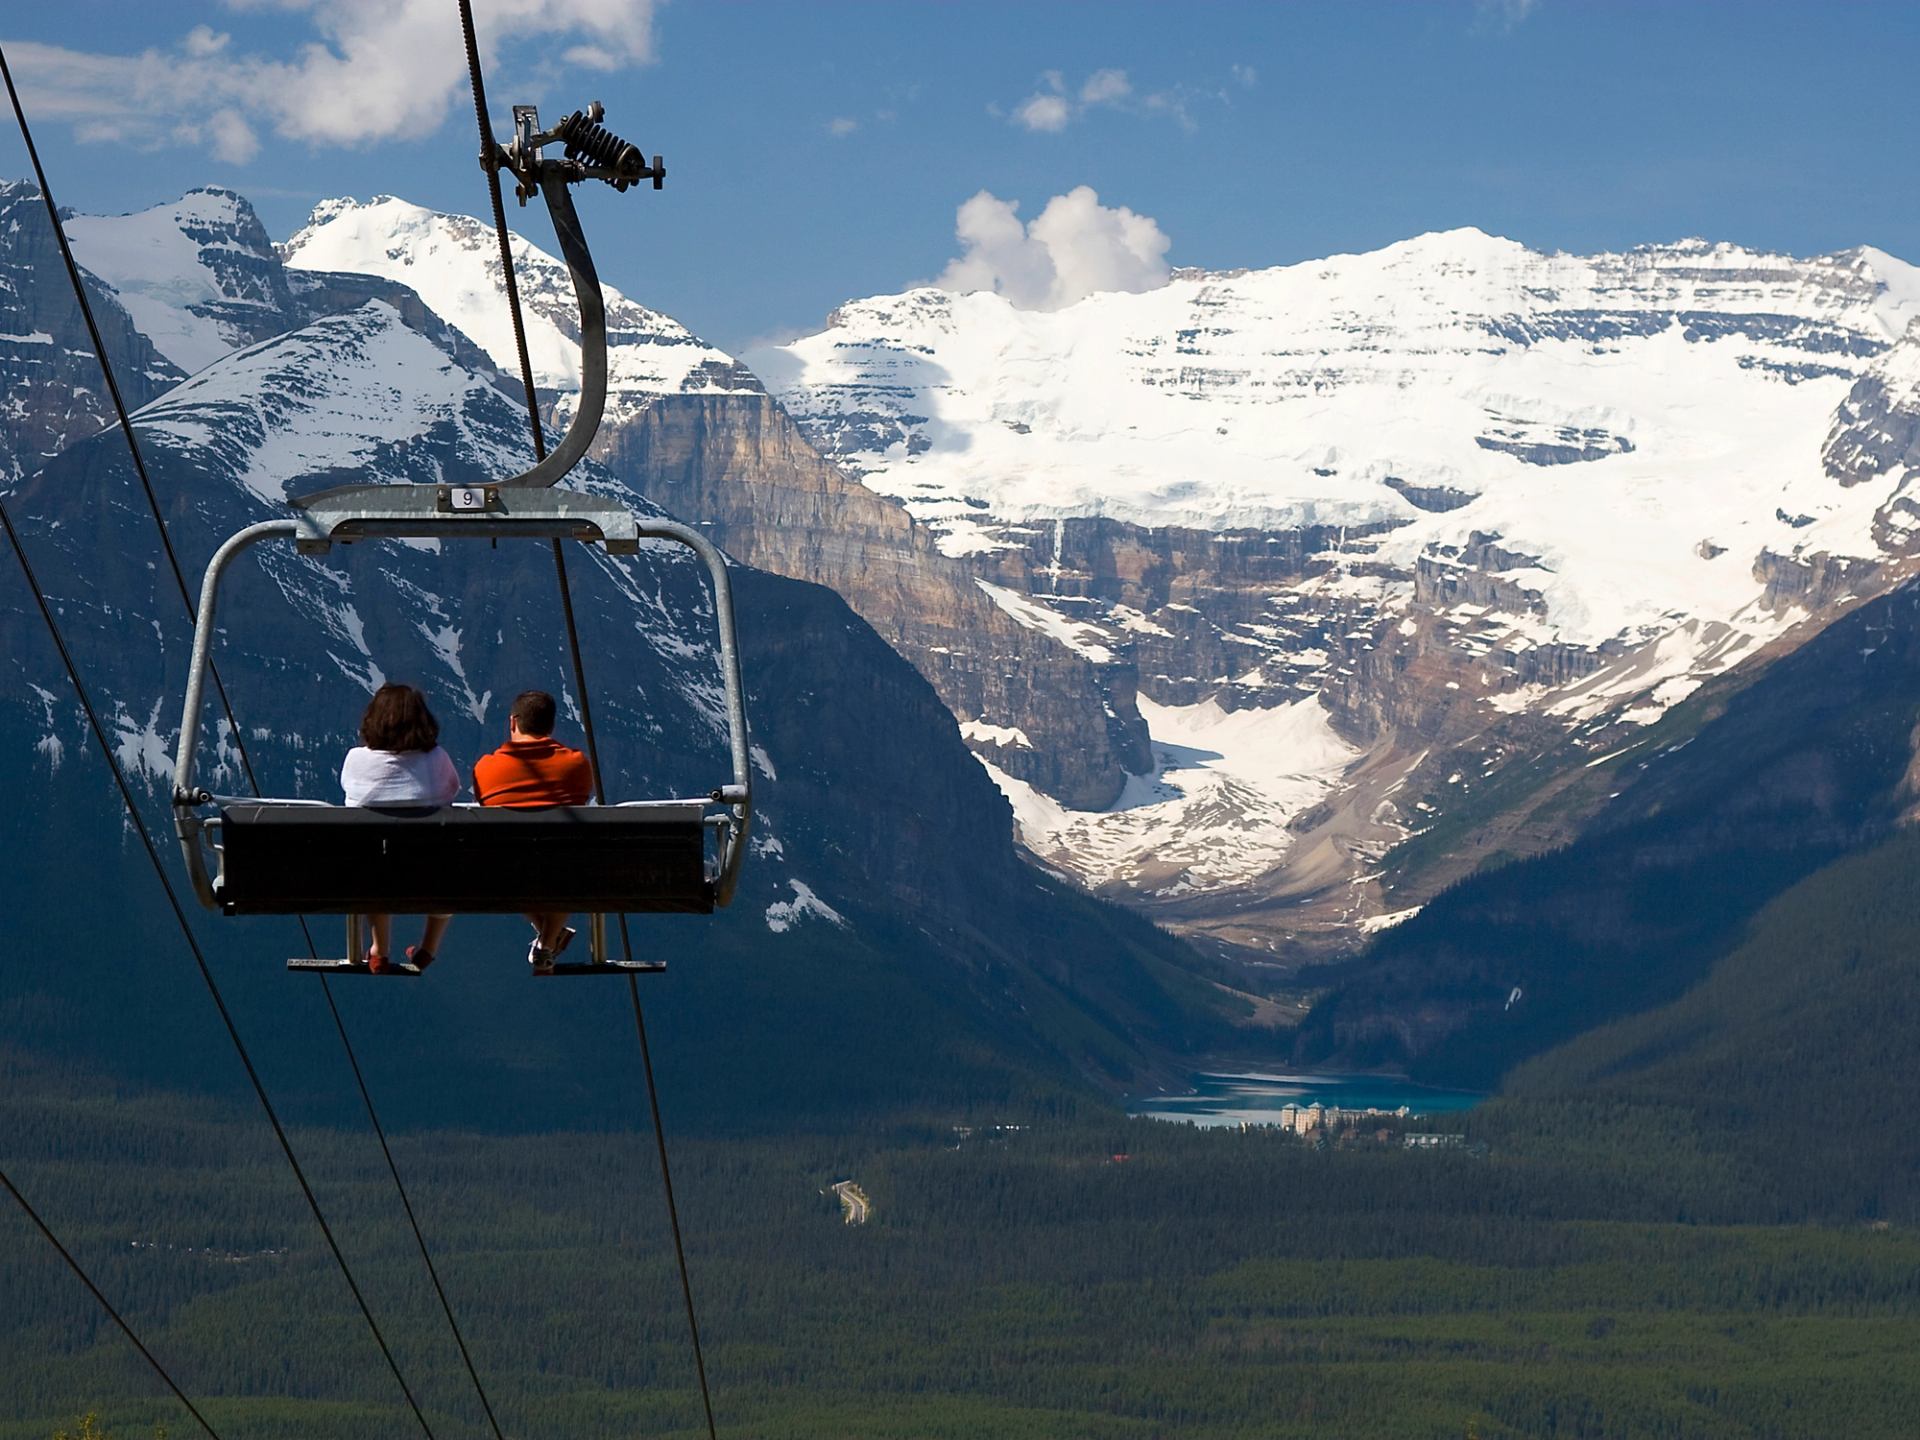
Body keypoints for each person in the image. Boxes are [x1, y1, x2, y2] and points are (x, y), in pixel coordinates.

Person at [341, 683, 460, 974]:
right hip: (433, 876)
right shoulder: (437, 760)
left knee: (373, 861)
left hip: (370, 877)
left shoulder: (356, 760)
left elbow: (351, 798)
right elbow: (452, 791)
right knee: (447, 864)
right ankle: (428, 948)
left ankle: (379, 949)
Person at [473, 689, 594, 972]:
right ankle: (548, 940)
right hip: (566, 871)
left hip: (504, 874)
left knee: (509, 862)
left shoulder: (485, 768)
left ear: (512, 723)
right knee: (565, 862)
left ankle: (549, 937)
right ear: (551, 726)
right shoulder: (577, 765)